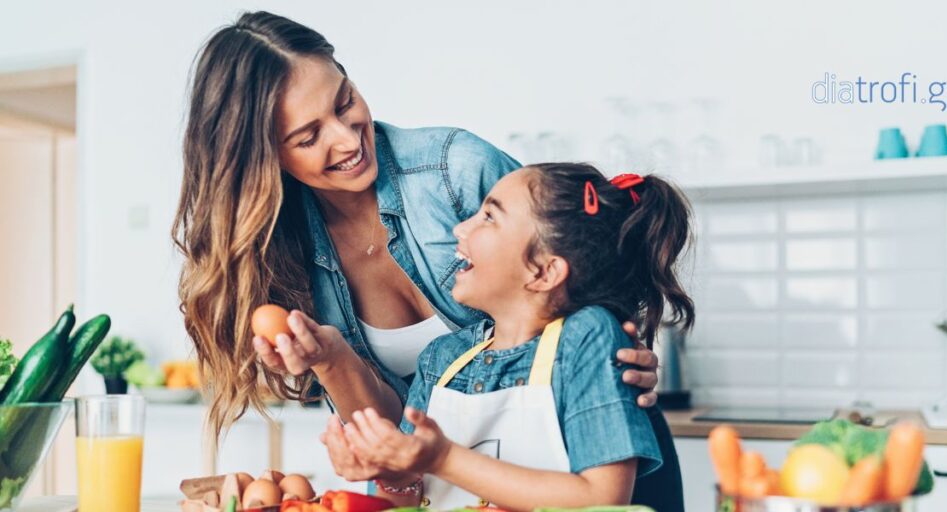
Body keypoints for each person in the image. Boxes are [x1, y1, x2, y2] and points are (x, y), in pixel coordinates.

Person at [173, 11, 679, 509]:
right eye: (308, 137)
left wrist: (615, 349)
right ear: (264, 158)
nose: (348, 140)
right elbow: (408, 467)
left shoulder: (456, 169)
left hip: (602, 468)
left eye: (345, 102)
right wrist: (335, 366)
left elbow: (573, 257)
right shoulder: (282, 255)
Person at [321, 164, 694, 511]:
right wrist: (388, 470)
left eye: (489, 217)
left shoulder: (586, 337)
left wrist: (443, 458)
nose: (460, 229)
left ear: (545, 272)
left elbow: (604, 498)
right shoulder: (442, 358)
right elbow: (408, 500)